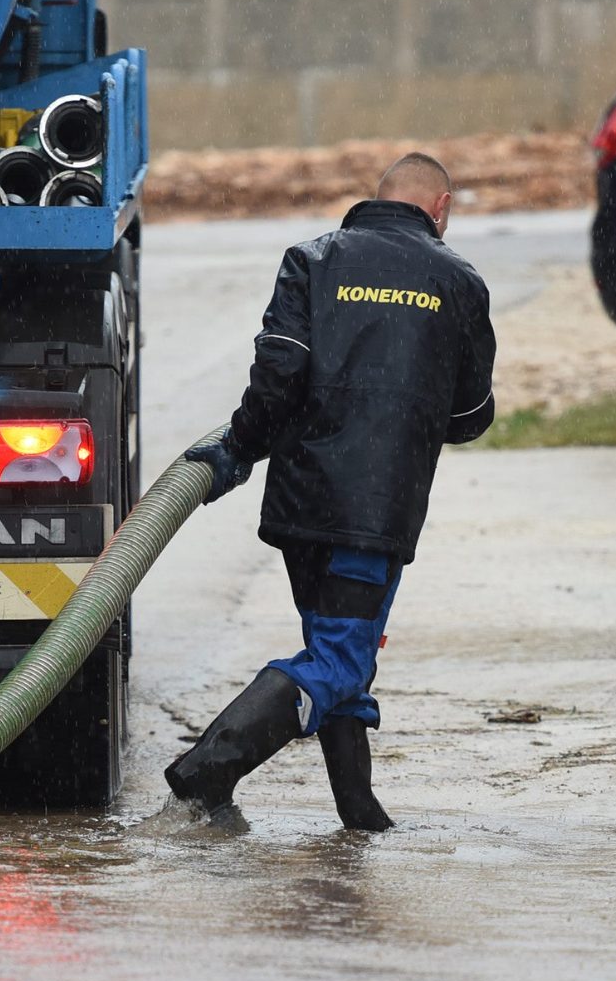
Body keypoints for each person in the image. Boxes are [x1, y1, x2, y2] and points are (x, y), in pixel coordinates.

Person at [167, 152, 497, 831]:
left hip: (300, 502)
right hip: (374, 511)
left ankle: (359, 813)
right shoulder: (457, 279)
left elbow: (278, 371)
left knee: (334, 653)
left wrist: (238, 449)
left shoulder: (312, 259)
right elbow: (469, 418)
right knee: (340, 658)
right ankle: (205, 773)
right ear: (438, 209)